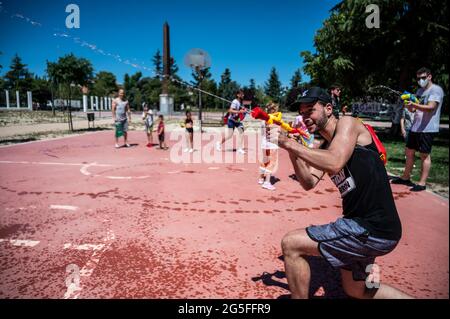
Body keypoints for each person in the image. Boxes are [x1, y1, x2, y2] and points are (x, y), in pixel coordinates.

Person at [270, 87, 411, 299]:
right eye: (302, 112)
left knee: (291, 244)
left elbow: (335, 162)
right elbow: (308, 182)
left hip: (371, 227)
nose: (305, 116)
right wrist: (292, 150)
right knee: (356, 290)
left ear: (328, 108)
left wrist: (289, 143)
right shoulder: (325, 145)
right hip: (368, 227)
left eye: (310, 110)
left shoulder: (348, 123)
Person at [391, 67, 445, 192]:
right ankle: (405, 177)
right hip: (416, 127)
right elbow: (414, 110)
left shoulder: (436, 90)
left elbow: (431, 107)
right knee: (409, 152)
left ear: (429, 77)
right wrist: (409, 106)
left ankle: (422, 183)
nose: (420, 80)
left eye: (423, 78)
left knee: (424, 155)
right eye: (418, 78)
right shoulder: (420, 91)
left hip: (428, 128)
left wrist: (414, 104)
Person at [216, 90, 246, 154]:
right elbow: (230, 110)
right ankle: (219, 143)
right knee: (230, 135)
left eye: (243, 94)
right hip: (231, 120)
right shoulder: (235, 101)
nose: (243, 95)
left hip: (237, 121)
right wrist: (239, 111)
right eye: (241, 94)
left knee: (241, 132)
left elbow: (241, 110)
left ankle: (239, 149)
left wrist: (243, 110)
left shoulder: (241, 102)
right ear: (238, 95)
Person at [258, 103, 280, 191]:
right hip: (272, 144)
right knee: (272, 163)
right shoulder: (274, 119)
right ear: (274, 110)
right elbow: (277, 132)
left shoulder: (263, 119)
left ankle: (261, 179)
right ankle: (267, 182)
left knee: (264, 161)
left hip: (264, 144)